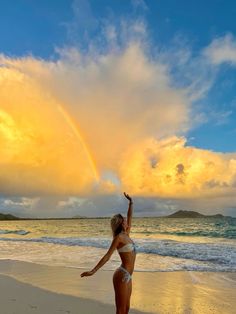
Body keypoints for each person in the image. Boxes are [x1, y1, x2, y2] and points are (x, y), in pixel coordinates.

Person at [81, 192, 136, 314]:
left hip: (129, 276)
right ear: (121, 223)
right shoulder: (119, 238)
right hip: (121, 275)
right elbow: (107, 256)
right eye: (125, 221)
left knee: (126, 309)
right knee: (120, 310)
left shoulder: (126, 234)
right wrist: (93, 271)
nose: (128, 222)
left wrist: (131, 203)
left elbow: (130, 217)